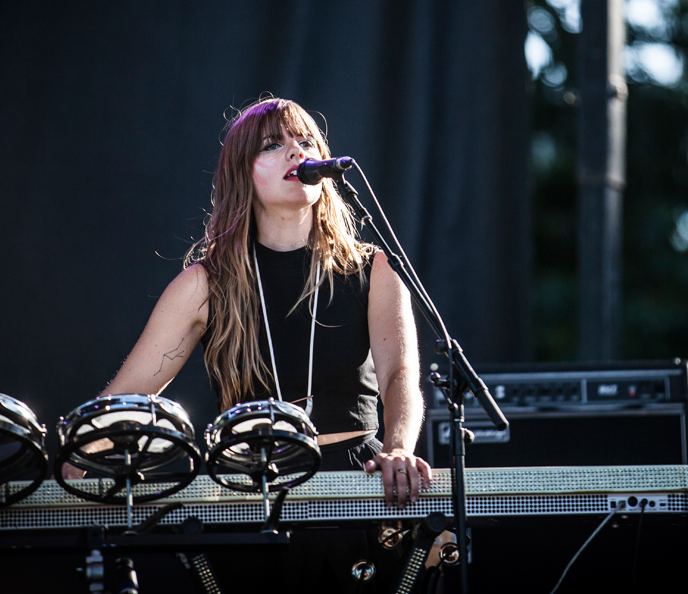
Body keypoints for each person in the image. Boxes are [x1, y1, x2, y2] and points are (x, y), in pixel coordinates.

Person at [67, 97, 432, 589]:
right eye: (274, 144)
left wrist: (399, 448)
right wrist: (71, 464)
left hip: (357, 489)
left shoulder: (374, 270)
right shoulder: (205, 284)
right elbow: (128, 397)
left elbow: (399, 375)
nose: (296, 153)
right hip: (253, 494)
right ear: (243, 172)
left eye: (306, 141)